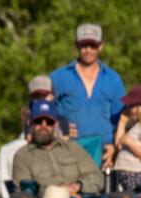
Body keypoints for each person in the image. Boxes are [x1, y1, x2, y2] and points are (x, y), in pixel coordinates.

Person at [12, 102, 108, 198]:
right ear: (31, 124)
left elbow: (97, 177)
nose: (44, 125)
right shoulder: (23, 155)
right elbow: (25, 191)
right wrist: (61, 194)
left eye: (49, 122)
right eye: (39, 121)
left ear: (55, 124)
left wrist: (77, 186)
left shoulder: (72, 148)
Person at [50, 24, 125, 168]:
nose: (88, 50)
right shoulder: (58, 77)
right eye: (83, 45)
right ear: (76, 45)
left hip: (103, 156)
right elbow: (41, 111)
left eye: (93, 45)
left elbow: (123, 120)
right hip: (67, 154)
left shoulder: (113, 79)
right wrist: (57, 126)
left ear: (101, 46)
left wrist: (114, 149)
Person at [113, 85, 141, 192]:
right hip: (123, 172)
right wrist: (122, 123)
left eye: (132, 106)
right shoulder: (133, 126)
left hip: (136, 174)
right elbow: (118, 146)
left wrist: (129, 143)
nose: (128, 109)